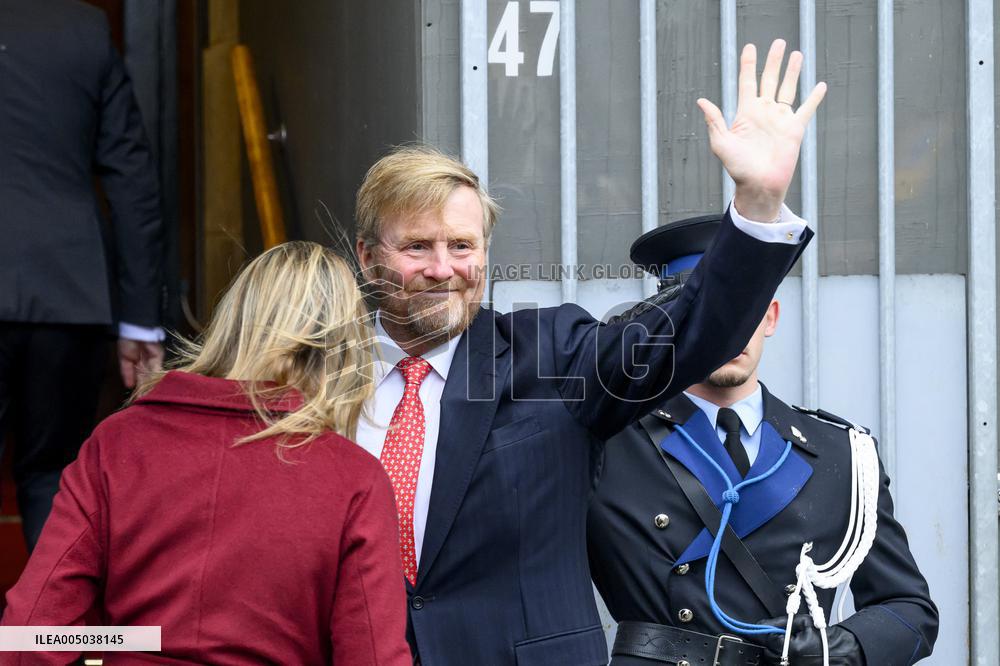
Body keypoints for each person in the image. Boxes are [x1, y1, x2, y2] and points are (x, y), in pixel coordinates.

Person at [352, 40, 825, 664]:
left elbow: (688, 332)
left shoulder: (553, 355)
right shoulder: (317, 378)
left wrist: (757, 206)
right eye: (417, 247)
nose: (444, 269)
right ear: (368, 257)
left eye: (462, 246)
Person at [1, 242, 412, 666]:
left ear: (231, 322)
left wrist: (122, 642)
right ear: (346, 350)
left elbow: (31, 634)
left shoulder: (119, 442)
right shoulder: (353, 478)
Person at [588, 216, 938, 665]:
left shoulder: (843, 454)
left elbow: (910, 610)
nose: (729, 327)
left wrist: (841, 648)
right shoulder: (605, 444)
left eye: (745, 305)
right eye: (708, 309)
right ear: (670, 319)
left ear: (770, 316)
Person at [0, 0, 165, 550]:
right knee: (52, 477)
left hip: (65, 294)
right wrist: (140, 320)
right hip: (67, 291)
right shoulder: (83, 27)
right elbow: (132, 179)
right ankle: (54, 612)